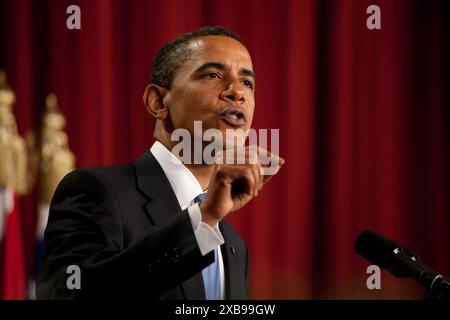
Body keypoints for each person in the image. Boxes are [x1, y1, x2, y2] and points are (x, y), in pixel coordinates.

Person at [37, 26, 284, 300]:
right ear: (158, 102)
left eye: (247, 83)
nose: (237, 93)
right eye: (213, 75)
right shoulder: (94, 191)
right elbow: (69, 294)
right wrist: (203, 220)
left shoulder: (235, 246)